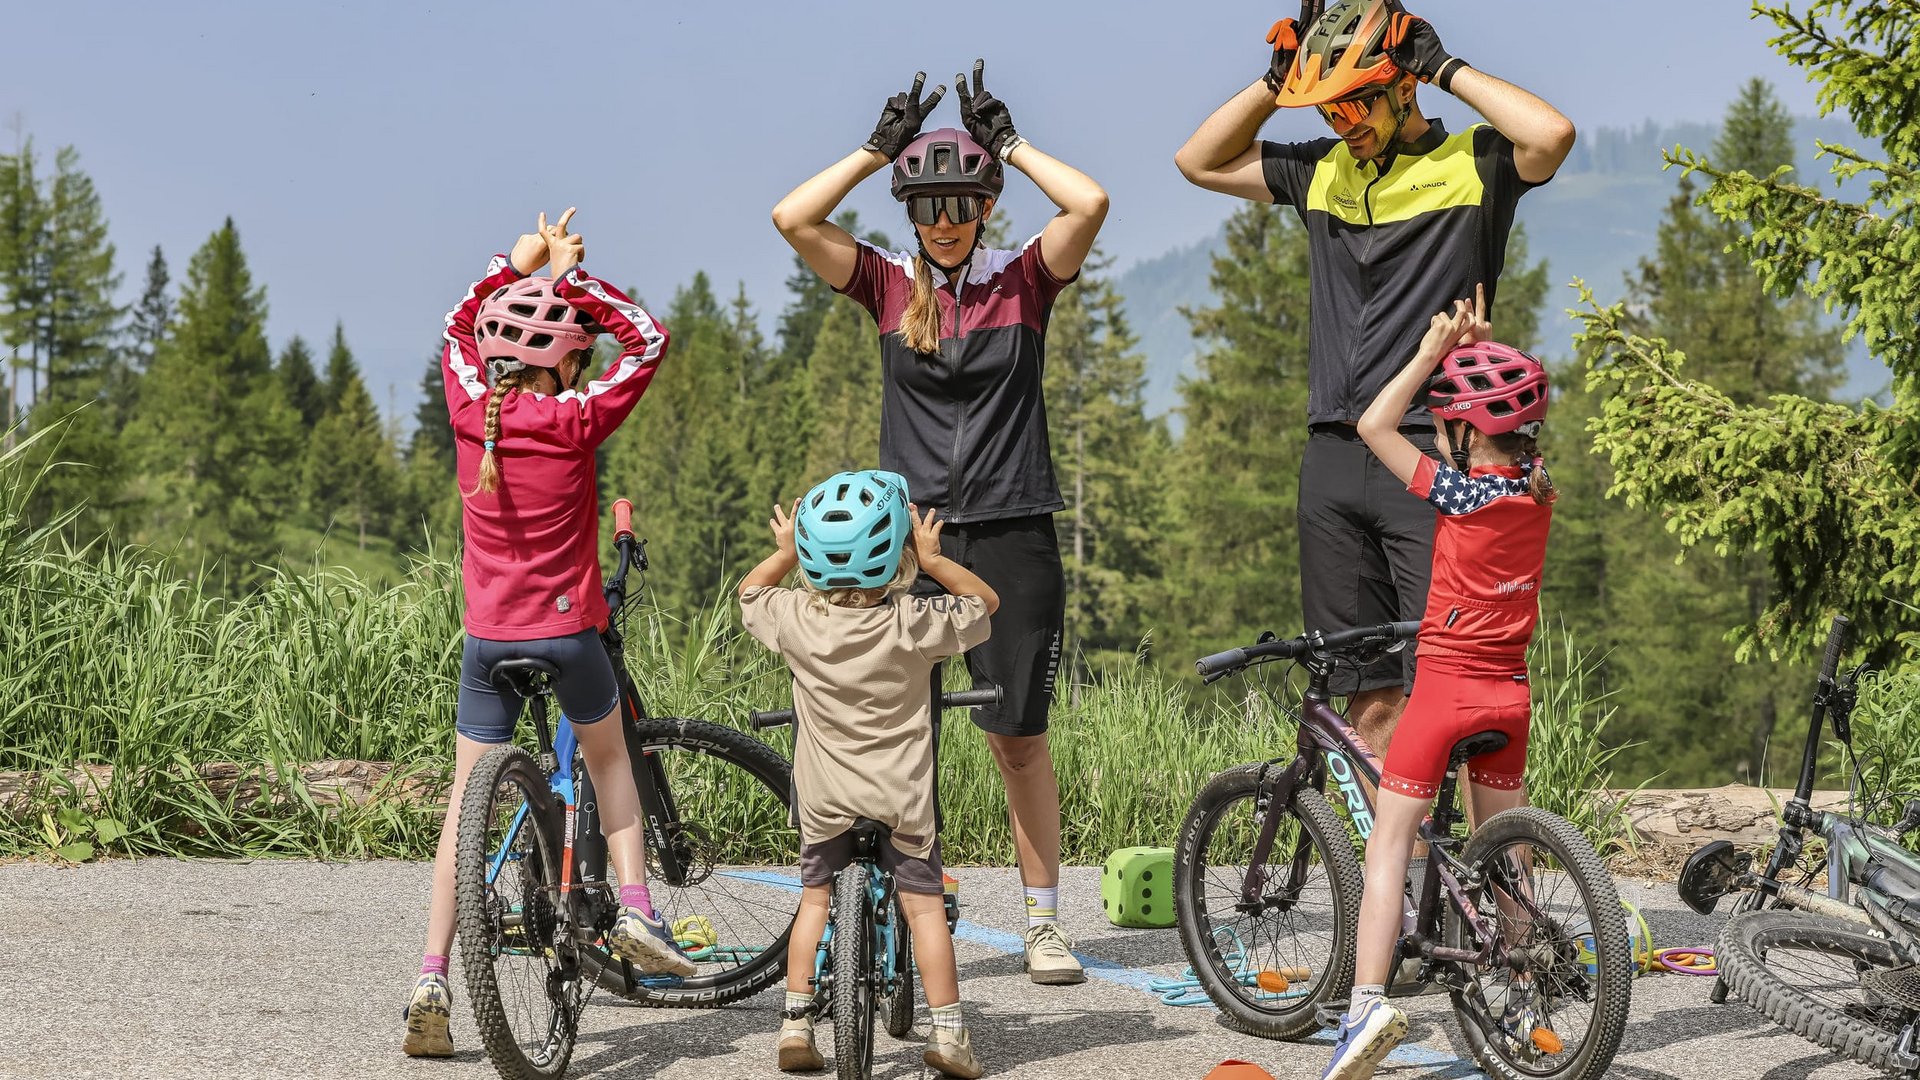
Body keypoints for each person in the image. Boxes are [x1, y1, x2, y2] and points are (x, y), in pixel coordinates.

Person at [1173, 0, 1574, 810]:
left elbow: (1552, 135)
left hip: (1431, 453)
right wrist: (1278, 80)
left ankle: (1493, 893)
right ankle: (1399, 887)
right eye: (1329, 107)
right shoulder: (1324, 169)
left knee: (1452, 694)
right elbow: (1198, 160)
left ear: (1404, 92)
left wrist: (1445, 66)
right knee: (1367, 693)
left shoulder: (1475, 163)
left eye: (1357, 102)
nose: (1342, 121)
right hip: (1330, 456)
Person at [771, 60, 1108, 984]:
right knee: (891, 732)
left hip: (1012, 531)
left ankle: (1042, 924)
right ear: (911, 216)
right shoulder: (887, 285)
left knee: (1017, 739)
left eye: (962, 204)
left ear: (984, 207)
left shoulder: (1023, 282)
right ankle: (910, 898)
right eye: (929, 207)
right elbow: (793, 218)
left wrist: (1010, 145)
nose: (947, 221)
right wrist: (875, 150)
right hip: (902, 543)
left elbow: (1091, 203)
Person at [404, 208, 689, 1058]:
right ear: (565, 362)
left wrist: (525, 261)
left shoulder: (465, 407)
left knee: (464, 806)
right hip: (570, 638)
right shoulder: (574, 421)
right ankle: (636, 909)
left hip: (487, 644)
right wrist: (569, 280)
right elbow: (647, 340)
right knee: (610, 764)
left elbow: (461, 317)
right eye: (576, 355)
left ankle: (431, 974)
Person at [1327, 290, 1557, 1079]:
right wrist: (1478, 360)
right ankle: (1525, 1000)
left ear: (1464, 430)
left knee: (1388, 844)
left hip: (1447, 694)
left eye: (1447, 423)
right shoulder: (1538, 491)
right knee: (1511, 859)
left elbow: (1372, 426)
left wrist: (1428, 358)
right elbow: (1499, 432)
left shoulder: (1458, 494)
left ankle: (1365, 1006)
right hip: (1511, 698)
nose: (1436, 433)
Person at [739, 470, 997, 1078]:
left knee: (813, 900)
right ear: (896, 555)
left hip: (825, 800)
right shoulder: (912, 623)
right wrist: (935, 557)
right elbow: (985, 605)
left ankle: (796, 1024)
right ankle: (950, 1034)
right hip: (902, 801)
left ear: (810, 555)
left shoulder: (797, 619)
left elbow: (750, 596)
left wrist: (779, 556)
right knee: (925, 908)